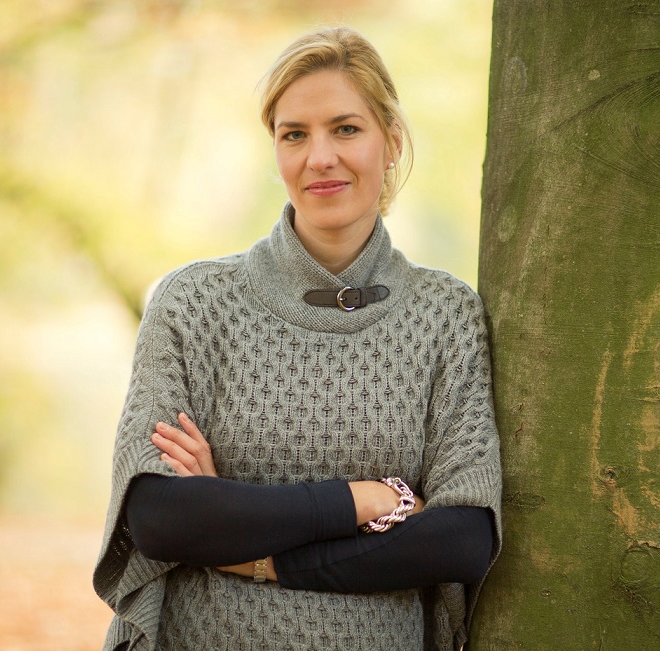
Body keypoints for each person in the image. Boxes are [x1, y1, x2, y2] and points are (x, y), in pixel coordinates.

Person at [92, 25, 502, 651]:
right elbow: (162, 519)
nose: (320, 157)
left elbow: (460, 540)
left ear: (391, 141)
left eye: (346, 128)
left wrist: (245, 542)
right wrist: (368, 501)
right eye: (295, 134)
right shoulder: (194, 303)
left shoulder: (446, 315)